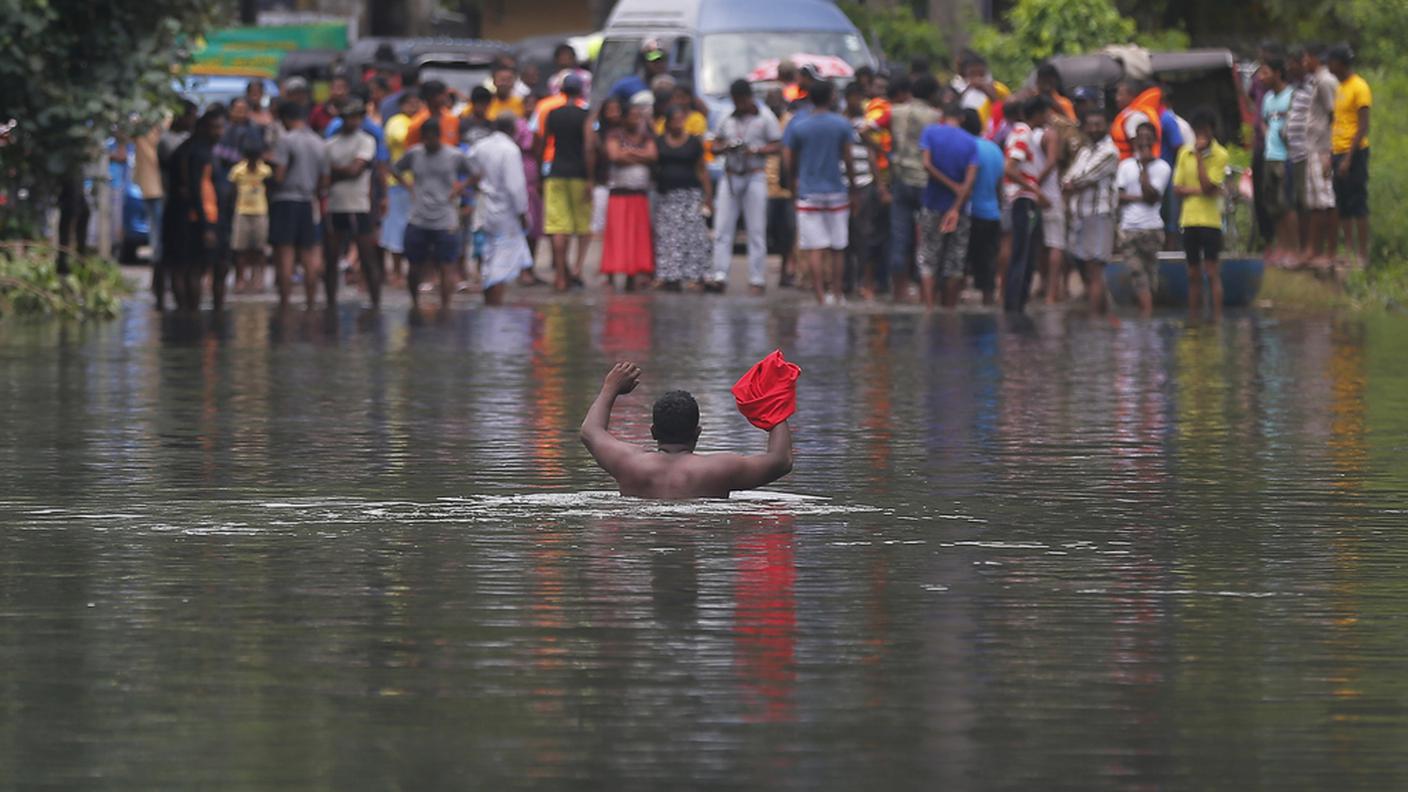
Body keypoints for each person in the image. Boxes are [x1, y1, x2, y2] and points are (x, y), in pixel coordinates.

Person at [580, 362, 794, 500]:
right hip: (697, 526)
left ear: (653, 432)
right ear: (697, 432)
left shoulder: (628, 463)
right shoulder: (720, 469)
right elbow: (781, 461)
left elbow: (590, 431)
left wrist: (610, 388)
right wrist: (773, 407)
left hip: (644, 529)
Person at [784, 80, 856, 305]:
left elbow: (788, 160)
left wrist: (793, 183)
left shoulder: (799, 126)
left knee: (815, 247)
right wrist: (853, 186)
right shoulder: (841, 124)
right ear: (831, 97)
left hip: (808, 191)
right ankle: (837, 293)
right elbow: (848, 158)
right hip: (836, 190)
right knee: (837, 246)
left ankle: (819, 296)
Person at [710, 79, 782, 294]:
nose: (738, 105)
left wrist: (757, 150)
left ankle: (757, 279)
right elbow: (714, 144)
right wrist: (725, 148)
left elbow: (778, 144)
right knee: (722, 228)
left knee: (756, 229)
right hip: (731, 175)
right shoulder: (726, 117)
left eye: (741, 101)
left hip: (754, 175)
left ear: (749, 98)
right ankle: (719, 275)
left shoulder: (766, 117)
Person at [393, 117, 472, 310]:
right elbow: (395, 169)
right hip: (419, 217)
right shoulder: (414, 154)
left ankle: (446, 306)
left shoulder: (454, 155)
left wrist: (460, 188)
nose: (429, 143)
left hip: (445, 219)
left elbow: (475, 173)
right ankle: (414, 304)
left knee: (447, 265)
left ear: (439, 136)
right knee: (414, 265)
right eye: (425, 139)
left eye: (432, 138)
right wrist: (408, 186)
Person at [884, 75, 942, 303]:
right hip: (926, 180)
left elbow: (866, 128)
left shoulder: (895, 112)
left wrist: (884, 153)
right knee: (927, 239)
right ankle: (925, 294)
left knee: (899, 237)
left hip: (900, 178)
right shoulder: (936, 117)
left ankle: (899, 293)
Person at [268, 101, 329, 309]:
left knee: (285, 255)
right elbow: (324, 181)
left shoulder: (285, 141)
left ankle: (284, 303)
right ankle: (311, 303)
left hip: (285, 200)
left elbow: (279, 175)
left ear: (285, 119)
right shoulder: (319, 142)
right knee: (308, 255)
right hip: (308, 201)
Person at [162, 109, 225, 311]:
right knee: (192, 268)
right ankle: (190, 314)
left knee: (183, 268)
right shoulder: (198, 153)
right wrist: (206, 226)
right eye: (216, 128)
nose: (220, 133)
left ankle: (185, 313)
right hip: (194, 218)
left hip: (185, 214)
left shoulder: (187, 150)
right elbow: (197, 190)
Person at [917, 102, 977, 309]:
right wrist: (956, 204)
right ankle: (950, 310)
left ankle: (929, 308)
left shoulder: (930, 133)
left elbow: (926, 164)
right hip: (959, 211)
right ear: (962, 119)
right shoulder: (970, 142)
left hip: (932, 204)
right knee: (955, 261)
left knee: (928, 257)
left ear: (942, 116)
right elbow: (969, 181)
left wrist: (948, 185)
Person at [468, 114, 533, 306]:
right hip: (505, 212)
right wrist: (522, 213)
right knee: (502, 261)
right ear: (513, 130)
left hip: (484, 207)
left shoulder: (481, 146)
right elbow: (515, 187)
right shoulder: (510, 150)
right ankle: (495, 306)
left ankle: (489, 305)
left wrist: (479, 186)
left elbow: (470, 168)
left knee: (489, 257)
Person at [324, 100, 382, 308]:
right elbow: (326, 175)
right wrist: (343, 171)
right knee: (330, 258)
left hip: (359, 205)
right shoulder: (330, 144)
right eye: (348, 117)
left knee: (367, 256)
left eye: (356, 117)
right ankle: (330, 302)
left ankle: (375, 302)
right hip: (335, 205)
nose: (352, 121)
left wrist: (336, 171)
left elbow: (355, 170)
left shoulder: (366, 140)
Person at [1062, 108, 1120, 314]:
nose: (1094, 129)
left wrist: (1072, 183)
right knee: (1086, 268)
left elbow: (1082, 178)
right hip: (1081, 215)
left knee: (1095, 268)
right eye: (1091, 124)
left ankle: (1096, 320)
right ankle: (1103, 315)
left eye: (1099, 124)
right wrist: (1071, 183)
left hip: (1099, 214)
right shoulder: (1085, 151)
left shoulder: (1110, 151)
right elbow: (1068, 178)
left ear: (1107, 126)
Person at [538, 73, 592, 290]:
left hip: (556, 172)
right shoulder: (585, 115)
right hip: (579, 174)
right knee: (582, 226)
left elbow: (543, 143)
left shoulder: (552, 114)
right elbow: (589, 147)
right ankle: (577, 269)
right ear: (580, 91)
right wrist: (590, 177)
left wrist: (541, 173)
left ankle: (561, 275)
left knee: (559, 226)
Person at [1174, 110, 1230, 317]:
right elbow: (1177, 188)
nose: (1200, 136)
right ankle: (1193, 318)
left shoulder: (1220, 154)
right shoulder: (1183, 153)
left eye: (1204, 131)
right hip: (1189, 220)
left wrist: (1198, 158)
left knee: (1212, 272)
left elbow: (1207, 186)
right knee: (1192, 273)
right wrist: (1203, 191)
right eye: (1197, 131)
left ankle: (1216, 317)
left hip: (1210, 221)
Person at [653, 106, 713, 289]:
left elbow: (701, 169)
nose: (679, 124)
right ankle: (670, 275)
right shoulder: (660, 142)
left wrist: (708, 195)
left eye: (681, 120)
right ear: (668, 123)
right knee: (669, 236)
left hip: (690, 194)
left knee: (693, 235)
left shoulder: (694, 143)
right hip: (667, 195)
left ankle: (695, 275)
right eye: (675, 120)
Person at [1115, 124, 1171, 316]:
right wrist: (1139, 198)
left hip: (1152, 229)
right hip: (1128, 228)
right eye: (1141, 137)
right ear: (1135, 141)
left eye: (1149, 137)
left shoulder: (1162, 167)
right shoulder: (1125, 166)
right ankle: (1146, 314)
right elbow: (1118, 197)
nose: (1145, 141)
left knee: (1150, 276)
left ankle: (1147, 316)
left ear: (1155, 141)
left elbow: (1152, 196)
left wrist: (1144, 168)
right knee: (1137, 273)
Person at [601, 100, 657, 290]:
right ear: (624, 118)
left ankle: (633, 276)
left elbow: (652, 155)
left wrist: (629, 152)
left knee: (637, 236)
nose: (636, 120)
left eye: (638, 117)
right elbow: (615, 156)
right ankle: (613, 274)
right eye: (632, 116)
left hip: (639, 192)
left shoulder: (646, 136)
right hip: (619, 192)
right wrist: (639, 154)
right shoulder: (614, 134)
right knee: (618, 235)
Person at [1002, 97, 1048, 313]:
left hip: (1023, 198)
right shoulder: (1023, 134)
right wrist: (1036, 191)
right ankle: (1015, 305)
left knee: (1024, 253)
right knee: (1023, 253)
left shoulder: (1020, 133)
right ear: (1037, 113)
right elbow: (1010, 168)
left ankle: (1016, 303)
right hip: (1023, 199)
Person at [1327, 45, 1370, 269]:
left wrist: (1348, 158)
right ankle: (1350, 250)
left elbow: (1363, 126)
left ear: (1341, 63)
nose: (1329, 67)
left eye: (1331, 62)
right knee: (1342, 202)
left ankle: (1363, 253)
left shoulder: (1359, 87)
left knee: (1357, 201)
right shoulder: (1338, 87)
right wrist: (1332, 155)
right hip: (1337, 151)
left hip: (1355, 152)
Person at [844, 82, 887, 300]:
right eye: (855, 98)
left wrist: (879, 184)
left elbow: (873, 154)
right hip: (843, 183)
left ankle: (864, 281)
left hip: (864, 183)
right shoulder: (840, 123)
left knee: (864, 234)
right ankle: (847, 282)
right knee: (846, 235)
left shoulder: (867, 124)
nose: (858, 102)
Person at [1299, 45, 1339, 268]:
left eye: (1306, 57)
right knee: (1315, 202)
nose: (1304, 61)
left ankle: (1329, 251)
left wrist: (1330, 152)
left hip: (1323, 149)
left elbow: (1335, 116)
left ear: (1315, 58)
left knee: (1327, 200)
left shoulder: (1326, 81)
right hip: (1312, 147)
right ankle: (1314, 249)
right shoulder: (1315, 81)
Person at [962, 109, 1003, 306]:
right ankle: (988, 301)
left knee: (961, 262)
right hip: (992, 213)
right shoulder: (994, 148)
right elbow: (1000, 184)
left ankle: (954, 306)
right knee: (987, 262)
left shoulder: (966, 147)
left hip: (970, 214)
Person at [381, 91, 422, 288]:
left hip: (421, 185)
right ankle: (397, 272)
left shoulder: (421, 120)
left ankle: (414, 272)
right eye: (410, 102)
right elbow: (401, 137)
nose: (413, 105)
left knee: (416, 230)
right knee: (397, 229)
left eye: (417, 101)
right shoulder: (396, 121)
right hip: (398, 184)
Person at [1258, 57, 1296, 267]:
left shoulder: (1291, 95)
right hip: (1269, 156)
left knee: (1287, 205)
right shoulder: (1267, 98)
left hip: (1286, 157)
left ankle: (1293, 248)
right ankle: (1281, 247)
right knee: (1273, 206)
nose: (1261, 78)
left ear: (1278, 73)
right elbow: (1264, 122)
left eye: (1265, 72)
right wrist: (1267, 137)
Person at [228, 141, 271, 294]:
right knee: (240, 249)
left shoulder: (265, 171)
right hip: (242, 211)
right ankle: (241, 278)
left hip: (260, 211)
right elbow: (232, 191)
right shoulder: (238, 171)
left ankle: (257, 278)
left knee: (259, 249)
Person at [1111, 80, 1163, 161]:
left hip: (1135, 166)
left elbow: (1141, 146)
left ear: (1131, 96)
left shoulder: (1135, 117)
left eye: (1120, 94)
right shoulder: (1128, 113)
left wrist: (1140, 169)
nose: (1117, 98)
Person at [608, 39, 670, 104]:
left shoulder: (673, 87)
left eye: (663, 59)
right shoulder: (625, 86)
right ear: (644, 62)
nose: (660, 64)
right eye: (655, 61)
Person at [407, 80, 460, 147]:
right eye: (442, 94)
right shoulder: (417, 123)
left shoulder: (452, 118)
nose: (446, 97)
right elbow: (411, 149)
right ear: (431, 97)